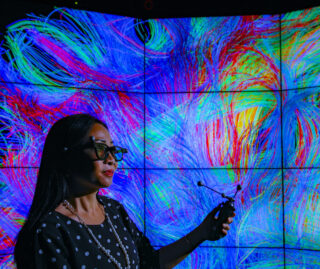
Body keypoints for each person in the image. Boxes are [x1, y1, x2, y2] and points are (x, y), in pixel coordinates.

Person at [14, 113, 235, 269]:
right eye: (100, 148)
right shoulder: (49, 230)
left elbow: (150, 263)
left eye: (112, 149)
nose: (111, 159)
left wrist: (203, 233)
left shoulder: (114, 211)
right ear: (67, 155)